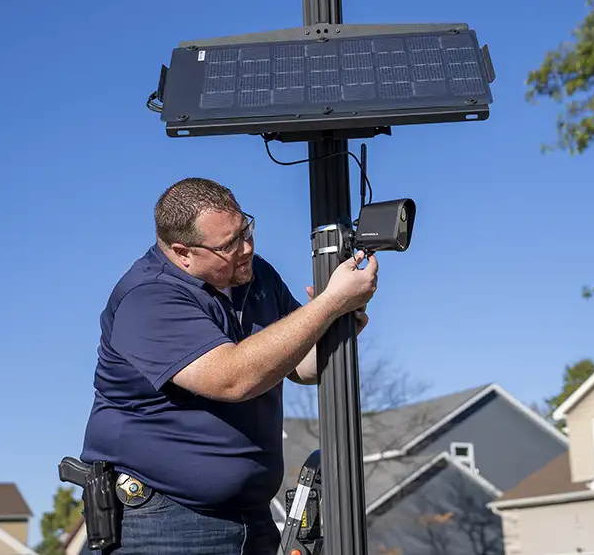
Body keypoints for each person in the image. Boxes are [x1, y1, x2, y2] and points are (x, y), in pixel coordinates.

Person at [79, 177, 379, 554]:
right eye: (229, 245)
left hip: (250, 518)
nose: (247, 248)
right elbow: (233, 379)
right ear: (182, 252)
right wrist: (328, 305)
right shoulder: (148, 299)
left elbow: (301, 367)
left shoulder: (256, 275)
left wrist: (339, 322)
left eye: (246, 230)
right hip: (161, 521)